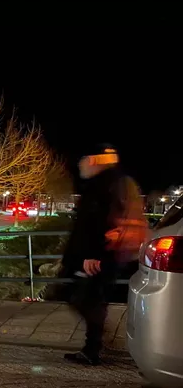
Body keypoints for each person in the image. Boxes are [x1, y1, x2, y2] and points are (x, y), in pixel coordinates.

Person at [61, 144, 146, 365]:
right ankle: (95, 344)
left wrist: (93, 254)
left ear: (95, 161)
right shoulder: (114, 182)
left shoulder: (103, 185)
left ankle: (94, 347)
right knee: (90, 298)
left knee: (83, 298)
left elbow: (100, 221)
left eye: (84, 160)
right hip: (107, 255)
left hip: (97, 257)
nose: (81, 166)